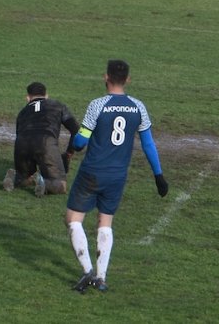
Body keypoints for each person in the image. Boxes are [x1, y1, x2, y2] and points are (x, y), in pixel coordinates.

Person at [64, 60, 168, 294]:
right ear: (128, 80)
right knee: (105, 222)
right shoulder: (138, 106)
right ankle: (101, 277)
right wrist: (158, 175)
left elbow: (81, 141)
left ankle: (88, 270)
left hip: (92, 172)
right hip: (118, 175)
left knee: (73, 218)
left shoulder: (98, 105)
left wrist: (75, 143)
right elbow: (148, 143)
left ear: (106, 77)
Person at [3, 82, 81, 197]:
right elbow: (75, 130)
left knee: (25, 177)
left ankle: (17, 179)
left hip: (21, 143)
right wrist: (69, 152)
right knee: (60, 184)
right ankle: (45, 183)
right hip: (45, 142)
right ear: (47, 96)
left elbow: (19, 133)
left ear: (28, 98)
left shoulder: (22, 113)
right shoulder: (58, 105)